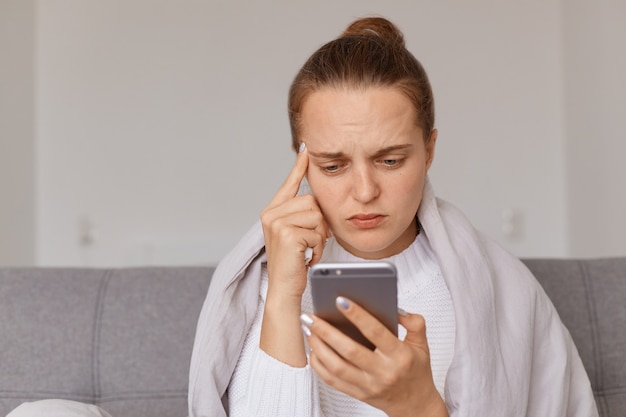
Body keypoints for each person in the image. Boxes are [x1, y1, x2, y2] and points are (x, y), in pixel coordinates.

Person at [188, 16, 598, 417]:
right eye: (332, 166)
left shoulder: (506, 294)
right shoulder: (256, 289)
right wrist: (281, 296)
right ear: (301, 161)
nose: (365, 192)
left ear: (429, 151)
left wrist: (419, 408)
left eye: (390, 160)